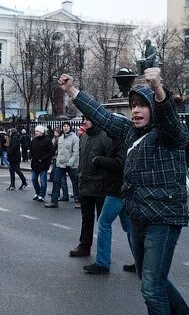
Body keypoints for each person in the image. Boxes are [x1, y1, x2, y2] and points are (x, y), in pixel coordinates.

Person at [62, 67, 189, 315]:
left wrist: (158, 88)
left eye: (143, 105)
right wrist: (73, 91)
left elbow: (169, 119)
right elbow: (101, 114)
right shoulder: (129, 132)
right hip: (138, 214)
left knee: (151, 286)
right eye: (133, 105)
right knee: (153, 278)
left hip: (164, 218)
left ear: (154, 108)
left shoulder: (170, 134)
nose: (136, 111)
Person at [83, 138, 132, 275]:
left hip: (117, 189)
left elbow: (119, 164)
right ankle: (141, 261)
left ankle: (102, 263)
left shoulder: (121, 142)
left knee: (104, 222)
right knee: (130, 227)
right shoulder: (122, 140)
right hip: (122, 189)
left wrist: (100, 160)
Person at [70, 118, 115, 258]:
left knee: (102, 223)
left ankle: (102, 254)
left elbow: (112, 162)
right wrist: (79, 174)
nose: (84, 121)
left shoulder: (105, 137)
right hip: (85, 185)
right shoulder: (84, 137)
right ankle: (84, 245)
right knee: (86, 218)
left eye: (88, 119)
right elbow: (81, 158)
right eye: (84, 119)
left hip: (101, 186)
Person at [46, 121, 80, 208]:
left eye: (67, 126)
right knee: (56, 181)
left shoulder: (75, 138)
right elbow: (59, 151)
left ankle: (79, 200)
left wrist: (70, 163)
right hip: (60, 164)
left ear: (70, 127)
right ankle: (54, 201)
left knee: (75, 182)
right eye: (64, 126)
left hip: (71, 165)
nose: (65, 128)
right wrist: (57, 161)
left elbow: (75, 153)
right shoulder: (60, 138)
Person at [30, 126, 54, 202]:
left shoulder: (47, 140)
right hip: (35, 164)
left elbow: (51, 152)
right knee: (34, 179)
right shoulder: (34, 140)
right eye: (35, 131)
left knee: (43, 181)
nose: (35, 132)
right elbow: (31, 149)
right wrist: (30, 156)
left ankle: (42, 195)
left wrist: (43, 159)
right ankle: (37, 193)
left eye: (37, 131)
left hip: (43, 164)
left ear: (41, 132)